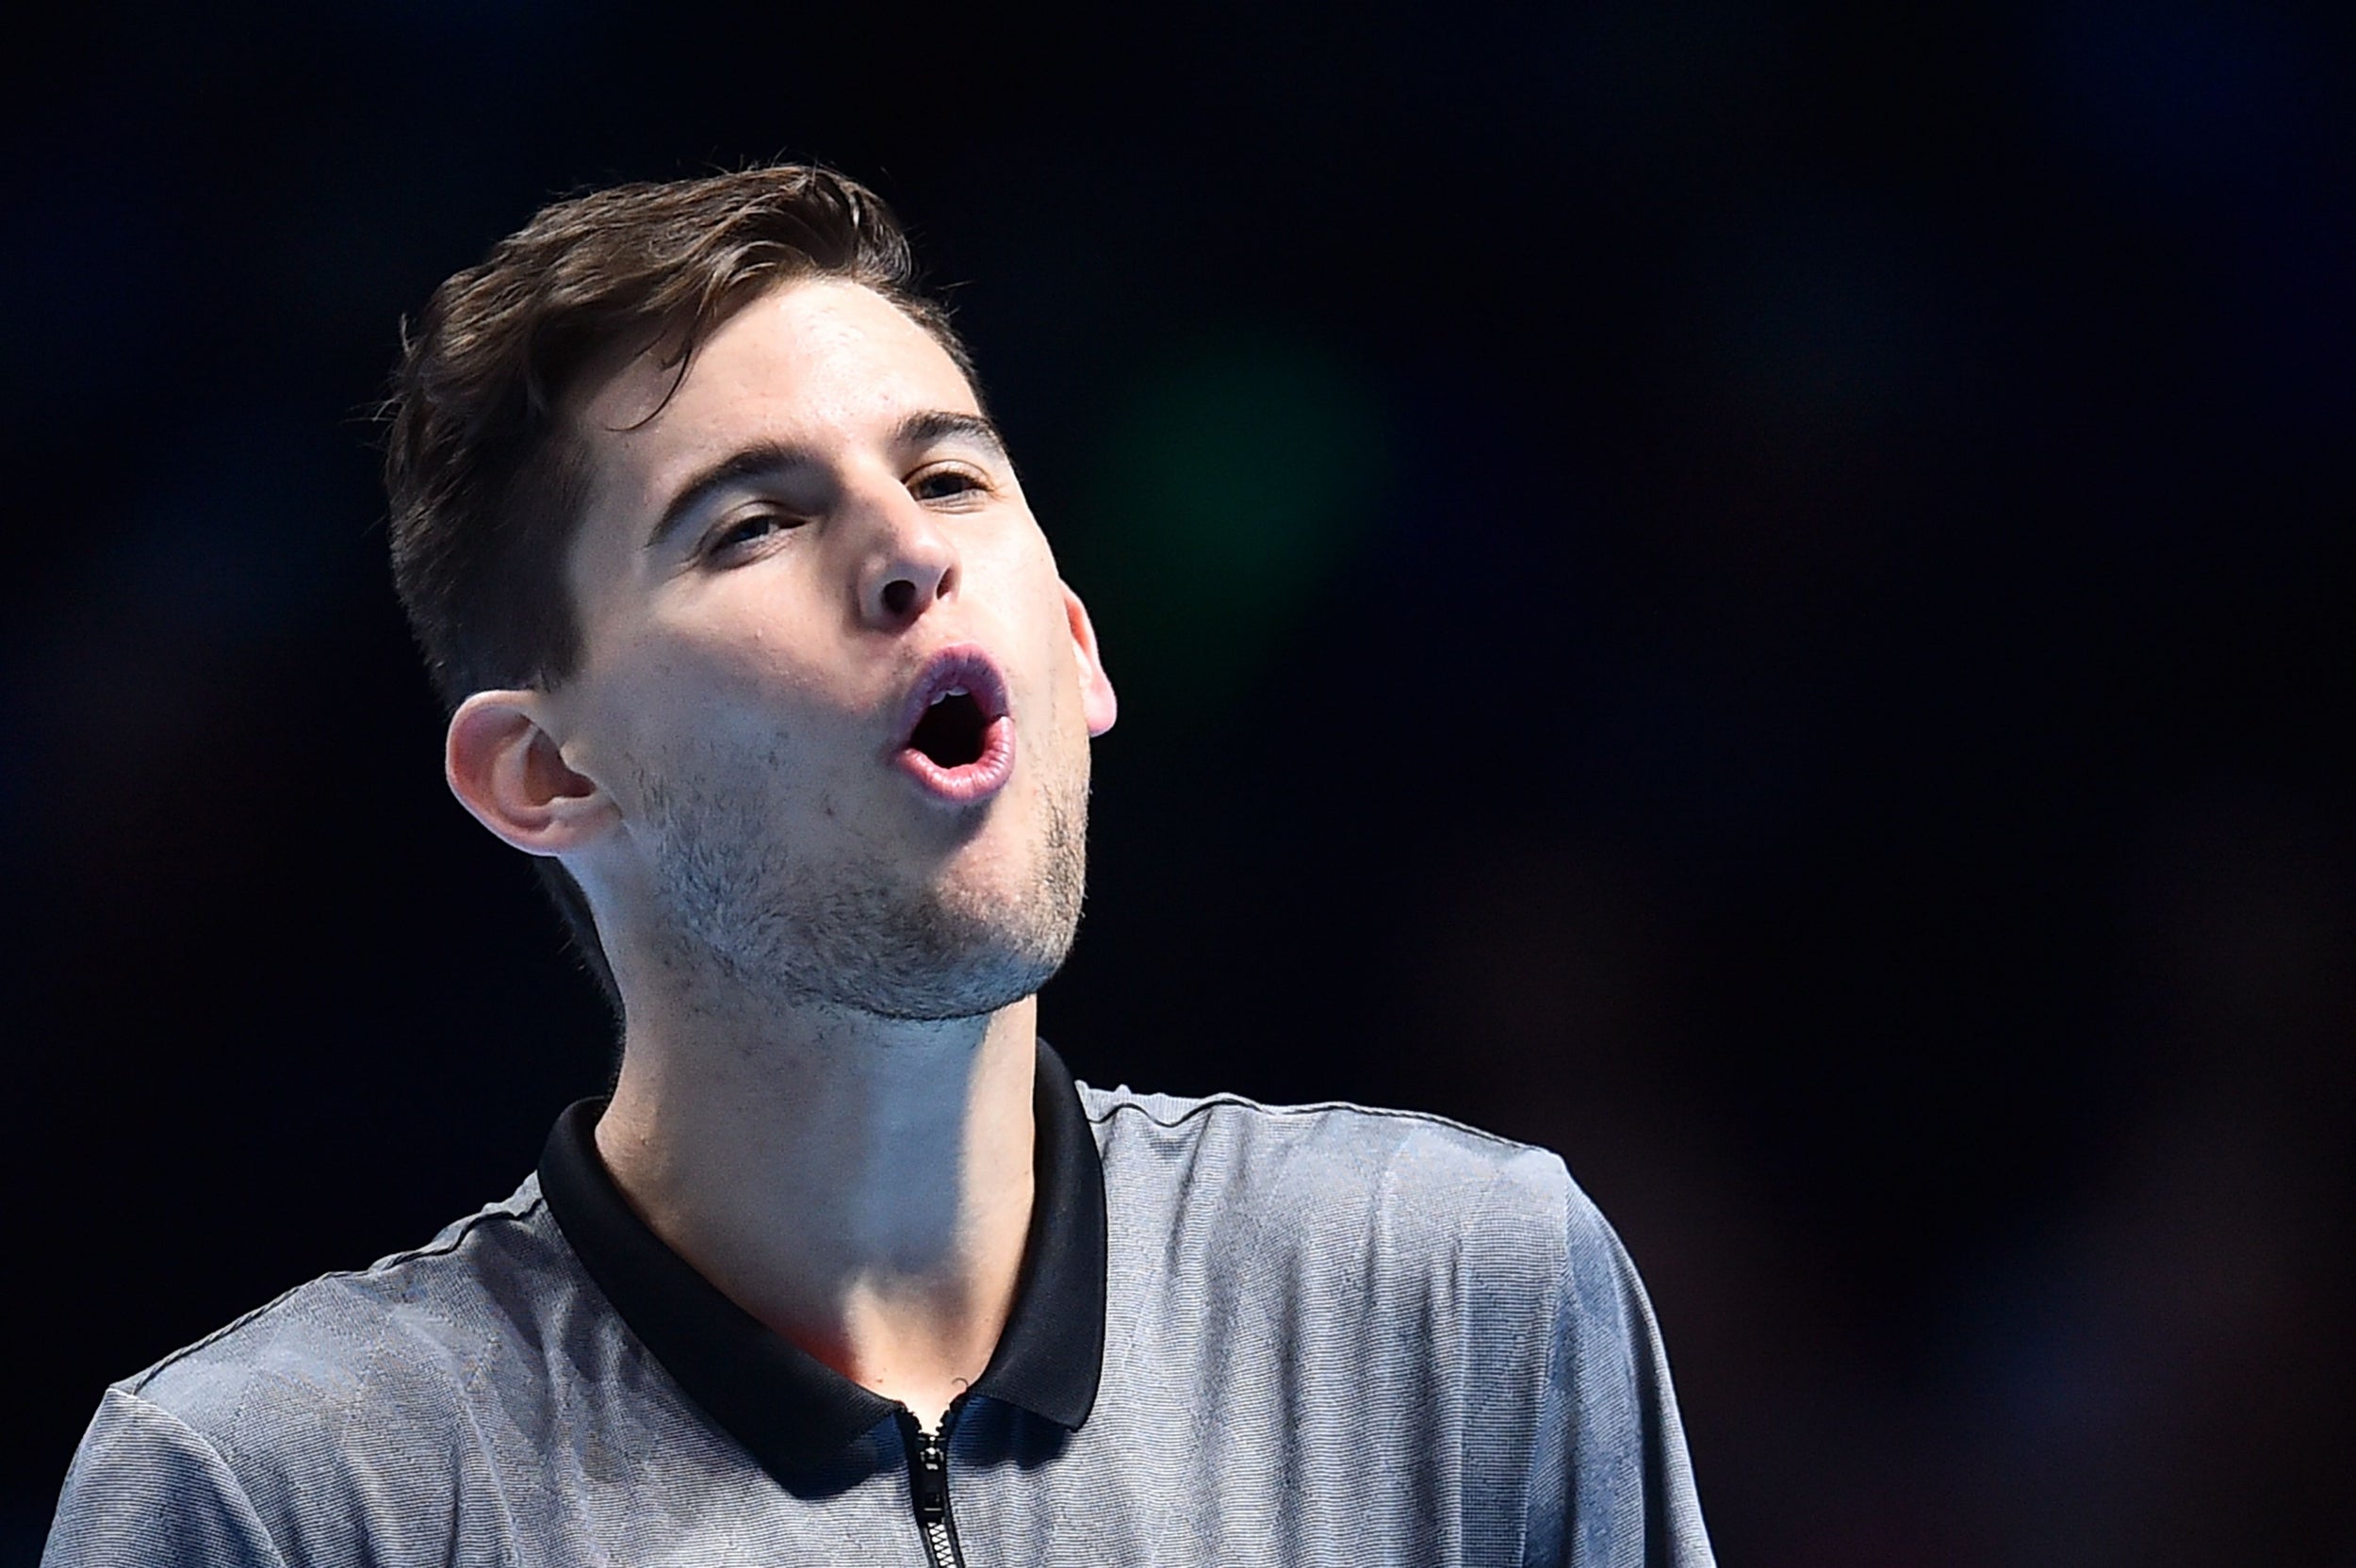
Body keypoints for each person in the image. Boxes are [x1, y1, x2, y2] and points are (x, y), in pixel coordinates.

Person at [41, 164, 1713, 1567]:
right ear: (548, 772)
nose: (909, 549)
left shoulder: (1459, 1298)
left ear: (1074, 646)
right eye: (749, 525)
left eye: (946, 473)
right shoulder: (277, 1499)